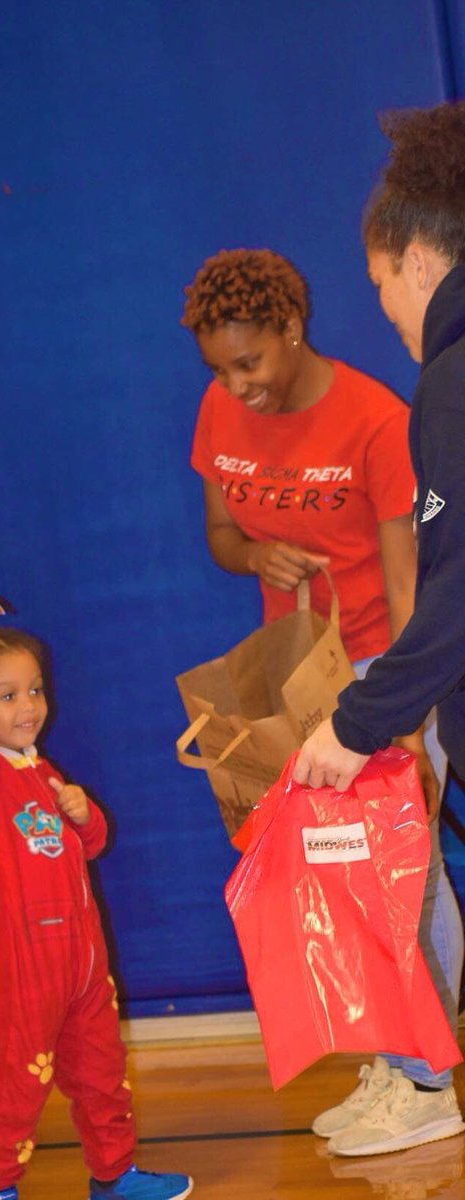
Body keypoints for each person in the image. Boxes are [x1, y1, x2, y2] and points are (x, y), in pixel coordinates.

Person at [182, 245, 463, 1154]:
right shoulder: (220, 409)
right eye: (220, 369)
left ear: (292, 329)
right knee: (343, 878)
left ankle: (430, 1081)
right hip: (296, 675)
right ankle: (392, 1061)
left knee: (407, 875)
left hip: (383, 670)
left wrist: (400, 716)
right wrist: (254, 555)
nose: (238, 385)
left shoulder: (377, 420)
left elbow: (414, 580)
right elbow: (221, 533)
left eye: (250, 362)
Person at [291, 101, 465, 1155]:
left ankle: (422, 1078)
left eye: (378, 287)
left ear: (416, 259)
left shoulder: (447, 383)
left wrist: (358, 722)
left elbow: (456, 587)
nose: (387, 313)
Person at [0, 620, 193, 1200]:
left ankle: (114, 1175)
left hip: (81, 964)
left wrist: (86, 816)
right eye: (7, 695)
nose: (29, 706)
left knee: (103, 1076)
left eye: (35, 690)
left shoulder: (42, 772)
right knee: (18, 1085)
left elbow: (88, 846)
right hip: (21, 968)